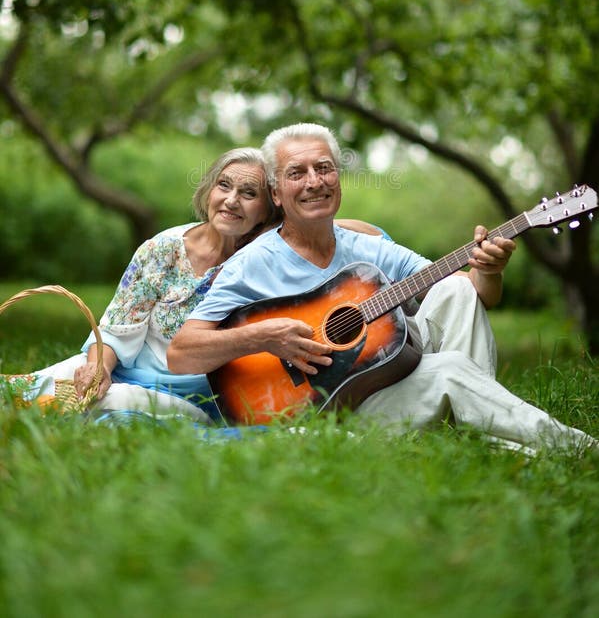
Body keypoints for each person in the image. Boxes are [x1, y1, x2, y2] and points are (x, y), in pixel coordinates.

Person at [167, 123, 597, 452]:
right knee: (449, 371)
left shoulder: (366, 249)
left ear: (338, 178)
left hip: (385, 389)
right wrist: (264, 335)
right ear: (277, 193)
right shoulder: (252, 264)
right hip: (320, 417)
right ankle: (578, 448)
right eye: (297, 173)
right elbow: (182, 353)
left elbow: (478, 295)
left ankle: (472, 427)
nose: (314, 181)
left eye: (324, 168)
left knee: (457, 291)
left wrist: (490, 268)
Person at [2, 145, 385, 420]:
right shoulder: (163, 248)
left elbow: (369, 233)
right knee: (29, 388)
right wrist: (98, 368)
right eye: (224, 186)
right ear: (209, 191)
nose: (232, 201)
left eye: (249, 193)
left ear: (269, 209)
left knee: (108, 404)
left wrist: (317, 220)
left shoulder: (266, 258)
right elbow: (117, 329)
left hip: (201, 394)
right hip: (123, 369)